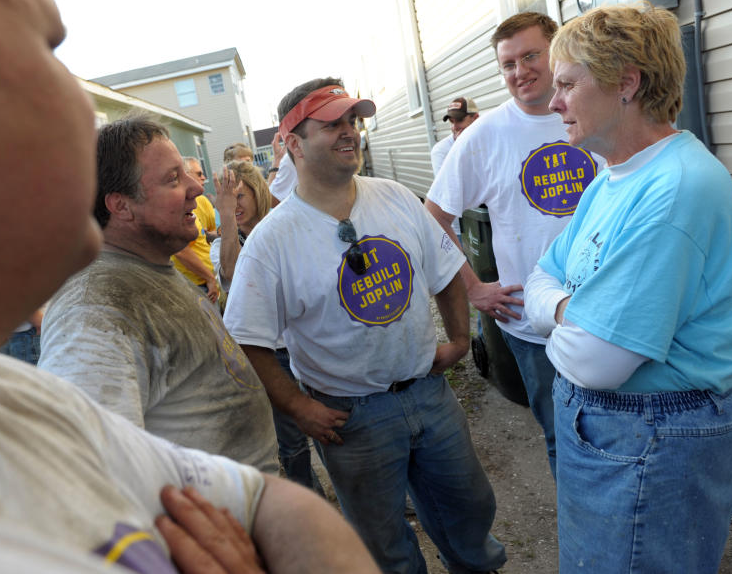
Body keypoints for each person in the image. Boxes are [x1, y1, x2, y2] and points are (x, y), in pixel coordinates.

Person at [0, 0, 390, 570]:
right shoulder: (95, 308)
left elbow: (274, 507)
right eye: (42, 46)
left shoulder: (5, 402)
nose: (81, 110)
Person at [224, 77, 506, 574]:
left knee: (469, 511)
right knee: (383, 544)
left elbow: (444, 272)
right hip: (350, 418)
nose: (349, 131)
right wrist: (298, 407)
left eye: (353, 120)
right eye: (331, 124)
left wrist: (460, 340)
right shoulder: (271, 242)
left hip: (428, 394)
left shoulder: (395, 198)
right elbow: (247, 340)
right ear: (292, 142)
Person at [524, 2, 732, 574]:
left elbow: (596, 361)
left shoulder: (675, 188)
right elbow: (538, 278)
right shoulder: (611, 180)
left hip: (651, 437)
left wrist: (560, 316)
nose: (553, 104)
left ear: (627, 83)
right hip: (619, 432)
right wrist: (573, 311)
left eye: (568, 84)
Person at [39, 116, 278, 474]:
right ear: (120, 206)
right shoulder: (95, 310)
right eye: (172, 179)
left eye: (186, 174)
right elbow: (91, 469)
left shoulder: (145, 269)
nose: (196, 191)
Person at [425, 12, 603, 476]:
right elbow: (433, 218)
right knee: (562, 439)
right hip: (535, 325)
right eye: (508, 64)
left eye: (530, 56)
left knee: (614, 435)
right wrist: (473, 288)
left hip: (608, 313)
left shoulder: (597, 111)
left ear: (557, 51)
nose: (519, 71)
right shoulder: (484, 136)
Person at [211, 161, 325, 495]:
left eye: (240, 196)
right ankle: (310, 500)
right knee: (291, 437)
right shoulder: (225, 242)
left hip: (307, 343)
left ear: (257, 191)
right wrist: (227, 218)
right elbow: (230, 273)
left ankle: (360, 487)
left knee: (331, 422)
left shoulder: (283, 227)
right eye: (229, 200)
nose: (236, 204)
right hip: (268, 355)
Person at [171, 156, 220, 303]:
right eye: (199, 174)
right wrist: (209, 278)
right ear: (185, 174)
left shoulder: (202, 201)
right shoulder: (175, 206)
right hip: (198, 285)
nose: (204, 178)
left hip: (212, 279)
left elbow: (208, 237)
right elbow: (180, 249)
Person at [429, 96, 479, 236]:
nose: (454, 127)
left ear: (475, 118)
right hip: (460, 229)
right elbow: (451, 192)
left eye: (460, 120)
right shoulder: (441, 151)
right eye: (451, 122)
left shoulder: (487, 142)